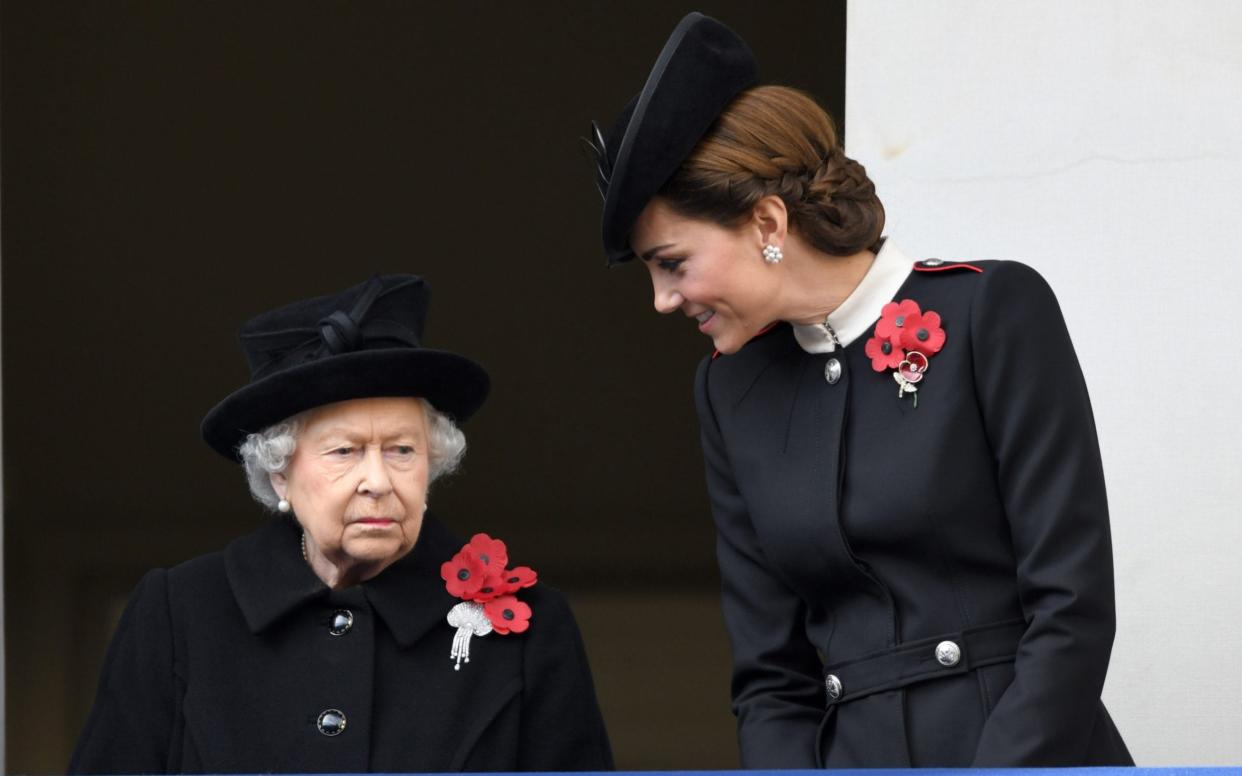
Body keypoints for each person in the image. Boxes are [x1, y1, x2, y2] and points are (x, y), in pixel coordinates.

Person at [583, 12, 1132, 768]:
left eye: (672, 263)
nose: (662, 300)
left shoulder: (990, 311)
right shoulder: (728, 390)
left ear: (768, 221)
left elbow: (1071, 609)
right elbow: (771, 679)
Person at [70, 275, 613, 773]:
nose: (377, 480)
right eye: (344, 451)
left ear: (432, 464)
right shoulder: (180, 612)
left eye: (402, 450)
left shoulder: (529, 628)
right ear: (279, 473)